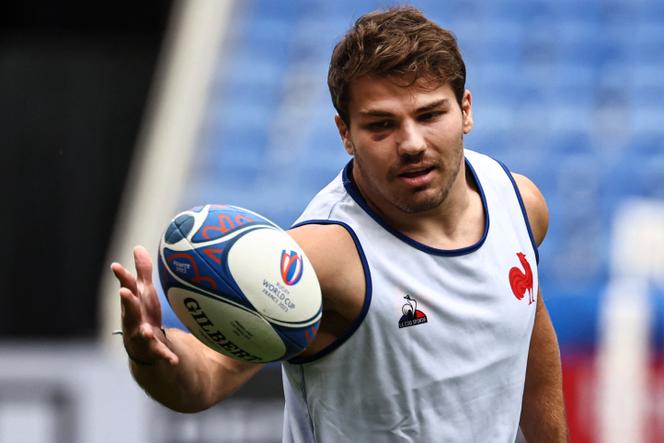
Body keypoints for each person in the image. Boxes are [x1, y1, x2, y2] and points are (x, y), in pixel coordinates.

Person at [111, 6, 569, 442]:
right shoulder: (320, 256)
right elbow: (206, 377)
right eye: (381, 125)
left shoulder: (520, 203)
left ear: (465, 110)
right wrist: (152, 355)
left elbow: (530, 330)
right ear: (345, 133)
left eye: (430, 115)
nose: (411, 143)